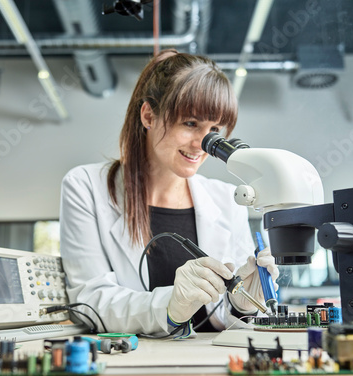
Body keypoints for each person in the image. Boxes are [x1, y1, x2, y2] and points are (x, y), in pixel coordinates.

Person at [59, 49, 279, 336]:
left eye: (214, 129)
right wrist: (170, 306)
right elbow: (90, 301)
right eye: (190, 123)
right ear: (149, 116)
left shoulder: (228, 199)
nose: (203, 144)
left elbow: (223, 316)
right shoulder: (85, 186)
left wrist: (242, 304)